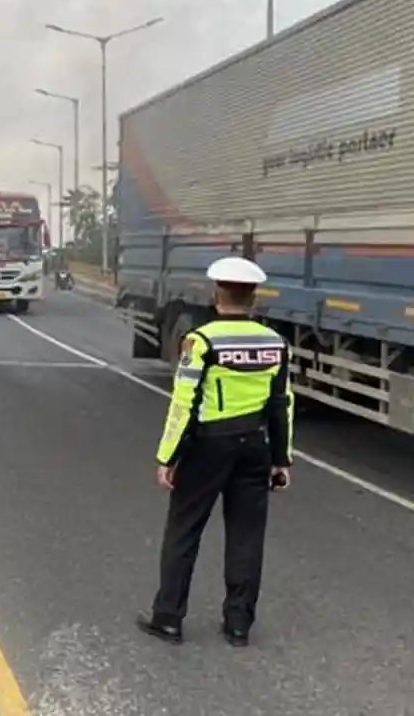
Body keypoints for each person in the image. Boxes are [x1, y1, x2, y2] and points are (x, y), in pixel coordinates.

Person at [136, 256, 294, 648]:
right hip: (255, 446)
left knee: (184, 530)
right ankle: (238, 624)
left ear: (216, 293)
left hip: (208, 446)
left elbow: (183, 402)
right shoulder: (275, 343)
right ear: (253, 298)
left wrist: (167, 456)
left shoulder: (201, 341)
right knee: (246, 535)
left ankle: (168, 618)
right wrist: (281, 459)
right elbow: (281, 402)